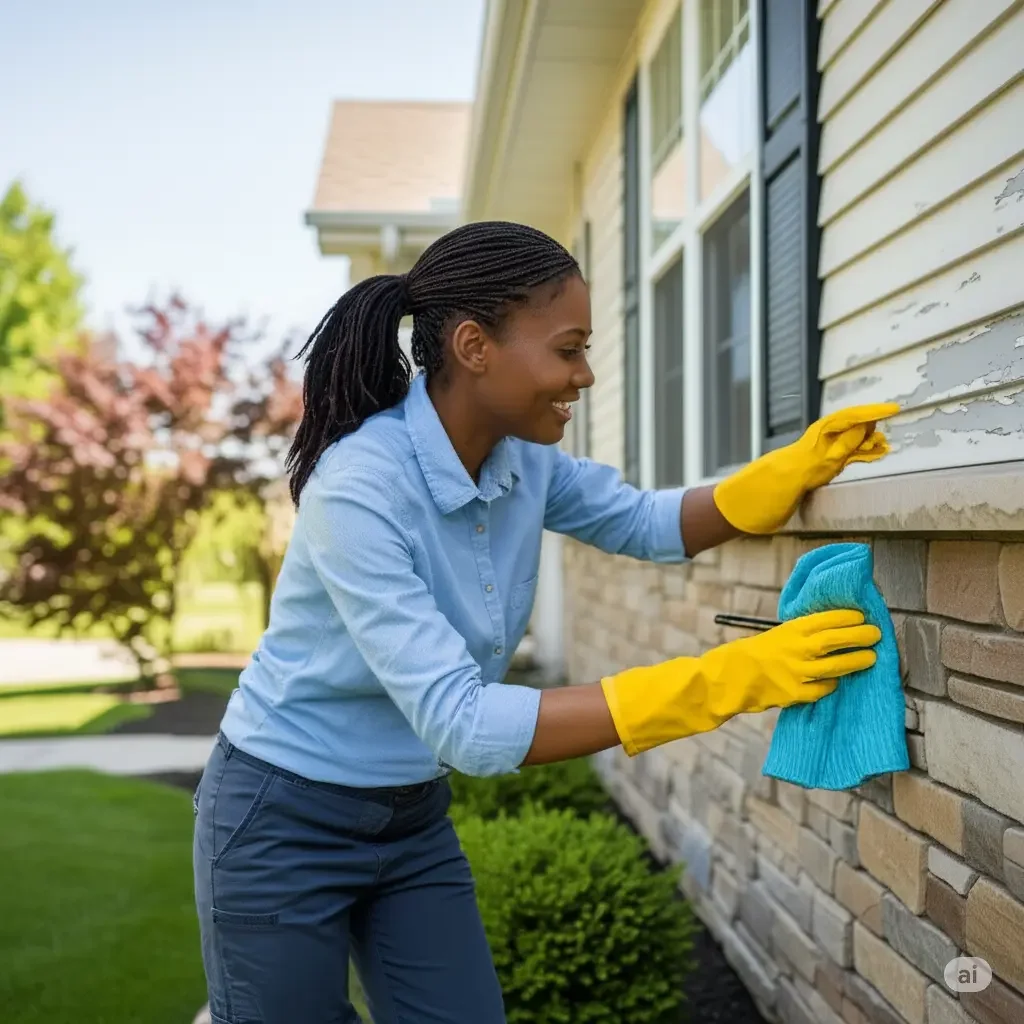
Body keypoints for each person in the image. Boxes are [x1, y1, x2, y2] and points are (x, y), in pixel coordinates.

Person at [192, 220, 898, 1024]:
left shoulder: (521, 458)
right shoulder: (359, 487)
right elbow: (464, 723)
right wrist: (727, 680)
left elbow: (642, 521)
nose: (586, 375)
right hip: (282, 819)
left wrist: (781, 474)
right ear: (473, 345)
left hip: (410, 817)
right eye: (569, 349)